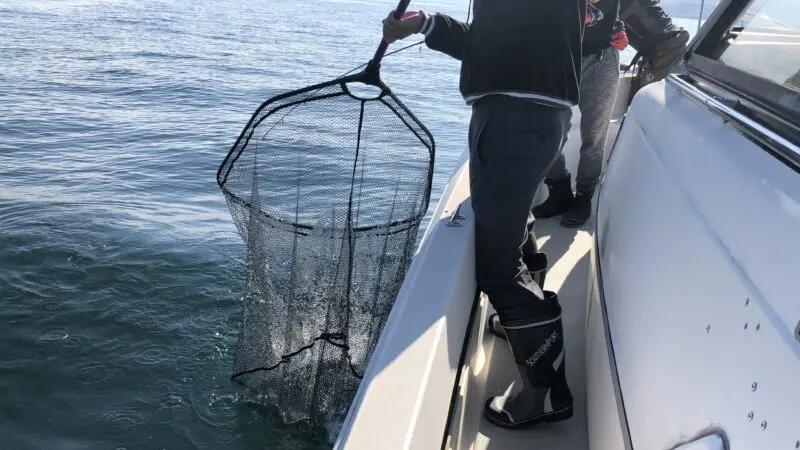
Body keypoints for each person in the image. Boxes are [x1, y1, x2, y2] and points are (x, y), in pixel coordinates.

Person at [382, 0, 591, 430]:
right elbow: (490, 45)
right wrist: (426, 23)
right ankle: (523, 319)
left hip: (512, 119)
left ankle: (545, 390)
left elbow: (496, 46)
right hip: (537, 117)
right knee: (513, 225)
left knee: (496, 264)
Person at [532, 0, 629, 228]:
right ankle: (559, 189)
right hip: (559, 56)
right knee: (548, 129)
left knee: (594, 134)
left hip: (601, 59)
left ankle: (584, 196)